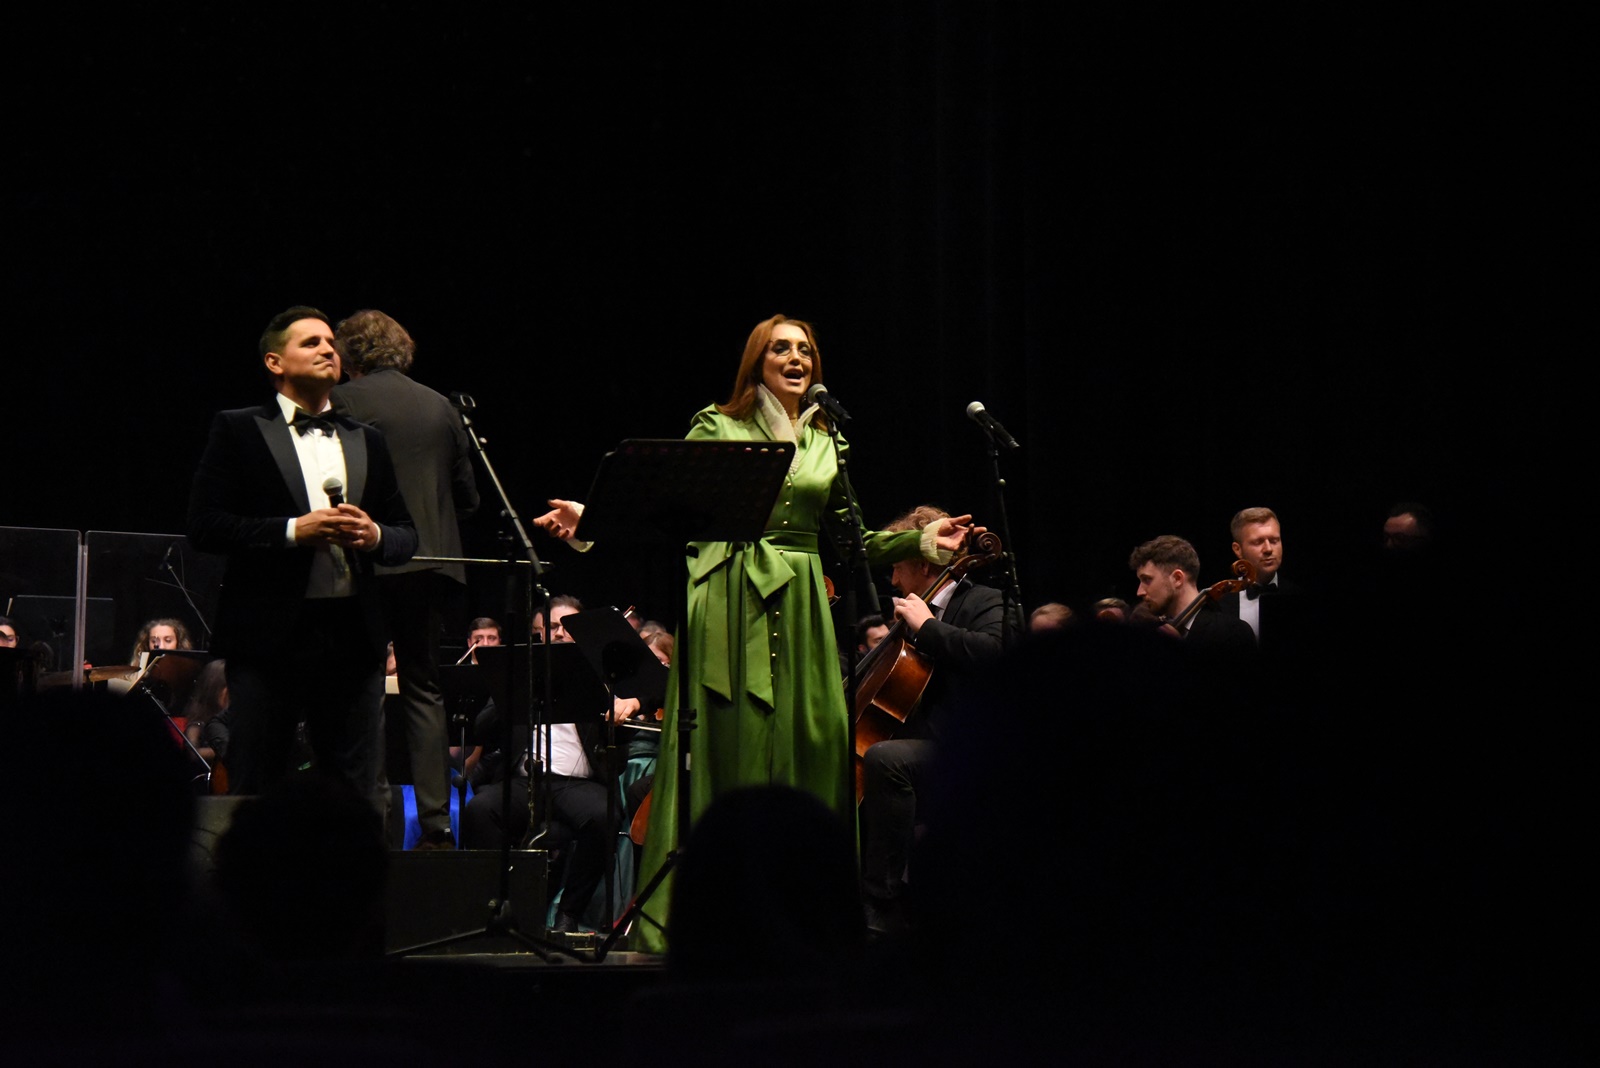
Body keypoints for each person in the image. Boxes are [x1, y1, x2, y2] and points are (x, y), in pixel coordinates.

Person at [537, 313, 972, 954]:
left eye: (805, 350)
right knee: (729, 742)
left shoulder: (827, 440)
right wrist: (592, 518)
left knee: (812, 742)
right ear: (757, 362)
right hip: (729, 597)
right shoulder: (718, 425)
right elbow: (661, 509)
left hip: (801, 603)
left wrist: (924, 540)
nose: (795, 358)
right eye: (780, 349)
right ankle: (708, 913)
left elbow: (854, 542)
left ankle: (805, 911)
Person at [187, 306, 417, 805]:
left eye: (331, 342)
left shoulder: (367, 439)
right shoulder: (239, 429)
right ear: (275, 362)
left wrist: (374, 534)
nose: (328, 349)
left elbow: (406, 535)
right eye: (311, 342)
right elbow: (205, 526)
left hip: (352, 634)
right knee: (258, 779)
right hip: (269, 635)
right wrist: (294, 530)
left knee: (354, 787)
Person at [331, 309, 479, 849]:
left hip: (366, 559)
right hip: (431, 562)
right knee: (424, 688)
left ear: (349, 354)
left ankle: (371, 819)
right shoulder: (440, 406)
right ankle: (438, 828)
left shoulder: (342, 401)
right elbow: (468, 498)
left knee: (364, 685)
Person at [859, 505, 1007, 933]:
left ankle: (883, 901)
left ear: (924, 564)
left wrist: (927, 628)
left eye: (897, 567)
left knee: (886, 760)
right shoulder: (911, 610)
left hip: (966, 746)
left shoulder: (984, 600)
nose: (892, 580)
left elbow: (994, 655)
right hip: (921, 739)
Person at [459, 596, 617, 932]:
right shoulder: (521, 671)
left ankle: (568, 914)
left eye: (568, 626)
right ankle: (507, 907)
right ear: (540, 633)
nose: (559, 633)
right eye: (553, 627)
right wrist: (512, 690)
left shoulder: (601, 671)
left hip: (577, 783)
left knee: (605, 816)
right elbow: (481, 727)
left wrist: (621, 699)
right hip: (525, 780)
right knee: (479, 810)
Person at [1128, 535, 1255, 654]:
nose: (1140, 592)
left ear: (1177, 579)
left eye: (1147, 580)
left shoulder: (1232, 633)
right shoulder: (1152, 631)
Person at [1216, 507, 1296, 641]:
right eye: (1258, 542)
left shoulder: (1298, 595)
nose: (1268, 549)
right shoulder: (1219, 602)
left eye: (1274, 540)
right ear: (1238, 550)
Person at [129, 618, 193, 664]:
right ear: (147, 644)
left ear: (178, 643)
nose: (161, 647)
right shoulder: (137, 673)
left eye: (168, 641)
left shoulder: (190, 672)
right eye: (154, 641)